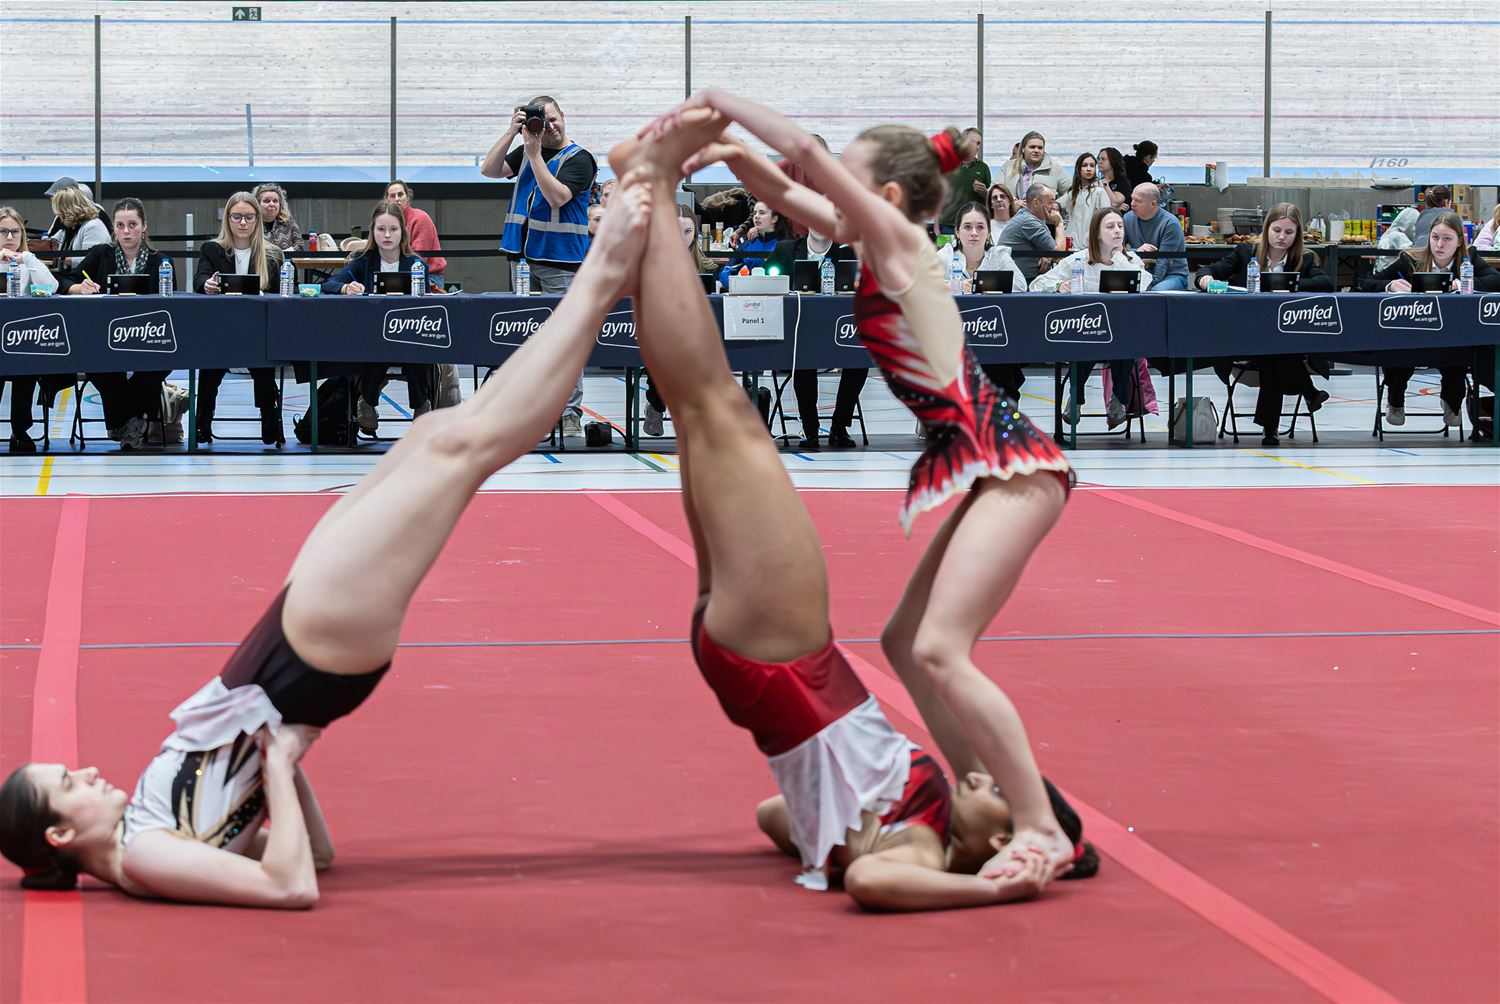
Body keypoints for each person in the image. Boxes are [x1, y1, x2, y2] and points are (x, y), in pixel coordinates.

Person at [0, 180, 653, 909]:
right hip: (305, 660)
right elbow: (291, 886)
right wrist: (277, 761)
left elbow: (316, 852)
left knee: (434, 434)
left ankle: (601, 282)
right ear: (61, 834)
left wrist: (275, 764)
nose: (88, 772)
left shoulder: (153, 830)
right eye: (69, 783)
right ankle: (603, 277)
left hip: (290, 651)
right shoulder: (144, 853)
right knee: (462, 452)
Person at [610, 121, 1095, 907]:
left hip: (1003, 468)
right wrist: (737, 157)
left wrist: (723, 108)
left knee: (937, 647)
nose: (977, 779)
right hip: (970, 478)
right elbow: (799, 190)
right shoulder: (876, 242)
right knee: (906, 642)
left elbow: (807, 163)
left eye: (991, 789)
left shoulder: (899, 241)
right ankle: (654, 196)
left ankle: (1040, 825)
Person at [480, 95, 597, 435]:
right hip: (522, 258)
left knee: (565, 339)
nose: (548, 127)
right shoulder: (527, 149)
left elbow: (557, 196)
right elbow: (489, 170)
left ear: (563, 116)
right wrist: (510, 133)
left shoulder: (580, 158)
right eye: (541, 121)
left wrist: (533, 155)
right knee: (525, 336)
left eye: (552, 119)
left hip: (561, 260)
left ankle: (570, 410)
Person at [1197, 203, 1334, 446]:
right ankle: (1307, 392)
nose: (1282, 237)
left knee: (1273, 350)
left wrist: (1284, 285)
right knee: (1276, 349)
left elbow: (1325, 283)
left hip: (1282, 338)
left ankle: (1271, 428)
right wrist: (1205, 279)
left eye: (1289, 232)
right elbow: (1210, 270)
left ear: (1297, 234)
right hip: (1243, 335)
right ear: (1267, 229)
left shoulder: (1304, 259)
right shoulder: (1245, 253)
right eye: (1277, 230)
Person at [58, 198, 177, 450]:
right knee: (99, 367)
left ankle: (122, 423)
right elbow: (64, 281)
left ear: (144, 227)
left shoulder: (161, 262)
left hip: (149, 341)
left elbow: (171, 307)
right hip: (104, 342)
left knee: (156, 368)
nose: (126, 231)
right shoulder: (101, 255)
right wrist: (81, 288)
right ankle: (132, 424)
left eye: (132, 224)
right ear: (113, 228)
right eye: (120, 225)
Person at [1362, 212, 1500, 427]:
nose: (1439, 244)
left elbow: (1495, 280)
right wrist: (1390, 285)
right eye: (1435, 237)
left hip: (1453, 335)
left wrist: (1459, 284)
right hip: (1412, 334)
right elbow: (1367, 284)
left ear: (1459, 241)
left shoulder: (1470, 258)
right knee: (1398, 349)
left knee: (1461, 352)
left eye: (1447, 239)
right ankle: (1395, 400)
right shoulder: (1410, 259)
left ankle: (1452, 402)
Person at [1032, 207, 1155, 428]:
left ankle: (1119, 399)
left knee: (1126, 340)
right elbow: (1037, 284)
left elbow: (1144, 284)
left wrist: (1118, 257)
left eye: (1120, 226)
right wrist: (1059, 286)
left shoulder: (1130, 260)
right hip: (1086, 331)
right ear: (1097, 233)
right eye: (1110, 227)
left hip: (1120, 334)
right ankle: (1076, 399)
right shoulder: (1078, 260)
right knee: (1086, 339)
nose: (1117, 231)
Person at [323, 202, 437, 432]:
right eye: (381, 229)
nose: (387, 235)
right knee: (378, 342)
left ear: (402, 232)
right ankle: (367, 401)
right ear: (373, 232)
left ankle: (421, 404)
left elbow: (424, 306)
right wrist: (346, 288)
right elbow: (329, 283)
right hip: (372, 335)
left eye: (393, 229)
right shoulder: (362, 262)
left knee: (415, 343)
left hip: (408, 333)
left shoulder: (416, 265)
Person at [193, 192, 286, 446]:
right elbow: (200, 279)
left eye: (248, 217)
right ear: (228, 218)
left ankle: (269, 417)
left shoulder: (273, 255)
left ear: (257, 219)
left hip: (258, 331)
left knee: (264, 367)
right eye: (237, 217)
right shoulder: (212, 249)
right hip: (221, 330)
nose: (243, 222)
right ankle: (203, 419)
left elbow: (284, 294)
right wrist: (207, 285)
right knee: (210, 366)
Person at [765, 226, 867, 449]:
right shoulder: (785, 250)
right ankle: (810, 429)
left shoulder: (848, 253)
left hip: (835, 337)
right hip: (796, 339)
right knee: (804, 357)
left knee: (860, 360)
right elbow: (765, 285)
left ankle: (839, 426)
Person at [1, 207, 62, 454]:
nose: (10, 237)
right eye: (3, 231)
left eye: (15, 232)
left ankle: (20, 430)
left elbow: (52, 286)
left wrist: (27, 258)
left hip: (20, 339)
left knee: (26, 364)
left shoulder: (28, 262)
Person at [1123, 183, 1188, 291]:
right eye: (1132, 199)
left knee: (1155, 293)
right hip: (1140, 271)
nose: (1132, 204)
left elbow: (1164, 262)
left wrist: (1148, 286)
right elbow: (1119, 250)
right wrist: (1136, 251)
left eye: (1138, 201)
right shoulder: (1127, 218)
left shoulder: (1170, 223)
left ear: (1153, 204)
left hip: (1171, 275)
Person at [384, 180, 448, 290]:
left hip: (428, 277)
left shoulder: (420, 218)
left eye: (400, 194)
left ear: (407, 197)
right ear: (387, 200)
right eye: (392, 196)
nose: (397, 199)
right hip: (399, 275)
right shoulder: (387, 222)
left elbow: (419, 258)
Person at [998, 182, 1064, 280]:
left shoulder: (1032, 216)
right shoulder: (1029, 221)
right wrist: (1059, 224)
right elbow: (1059, 254)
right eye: (1050, 203)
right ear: (1036, 203)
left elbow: (1052, 252)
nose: (1053, 208)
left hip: (1022, 279)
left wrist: (1048, 256)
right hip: (1017, 283)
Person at [717, 200, 788, 287]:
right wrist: (733, 285)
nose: (756, 216)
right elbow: (724, 270)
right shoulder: (748, 244)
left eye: (762, 213)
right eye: (754, 213)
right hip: (748, 291)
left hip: (778, 291)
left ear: (774, 219)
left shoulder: (785, 245)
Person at [937, 127, 990, 233]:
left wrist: (984, 193)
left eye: (978, 143)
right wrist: (936, 225)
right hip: (947, 224)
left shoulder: (983, 168)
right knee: (945, 245)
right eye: (972, 142)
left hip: (972, 225)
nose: (976, 146)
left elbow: (988, 201)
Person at [45, 185, 111, 269]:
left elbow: (91, 260)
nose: (59, 216)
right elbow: (53, 241)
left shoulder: (93, 227)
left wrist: (61, 258)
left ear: (68, 210)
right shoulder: (71, 228)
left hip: (87, 276)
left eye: (60, 212)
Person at [1059, 153, 1112, 253]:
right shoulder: (1072, 193)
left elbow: (1106, 220)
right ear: (1078, 169)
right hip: (1070, 246)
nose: (1089, 169)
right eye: (1084, 165)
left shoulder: (1099, 192)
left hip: (1089, 247)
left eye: (1092, 166)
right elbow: (1066, 217)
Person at [996, 131, 1068, 201]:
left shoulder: (1055, 169)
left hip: (1045, 209)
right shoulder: (1008, 166)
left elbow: (1071, 192)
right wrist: (1013, 202)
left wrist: (1057, 204)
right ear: (1023, 149)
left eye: (1040, 148)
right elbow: (995, 189)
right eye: (1032, 147)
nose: (1036, 150)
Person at [251, 183, 304, 252]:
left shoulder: (287, 221)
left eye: (275, 201)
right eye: (267, 201)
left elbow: (300, 244)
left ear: (280, 204)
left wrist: (284, 253)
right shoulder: (251, 223)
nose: (272, 204)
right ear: (257, 204)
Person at [1374, 206, 1420, 272]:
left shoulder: (1389, 233)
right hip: (1389, 275)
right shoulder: (1398, 236)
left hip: (1381, 272)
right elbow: (1412, 254)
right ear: (1409, 225)